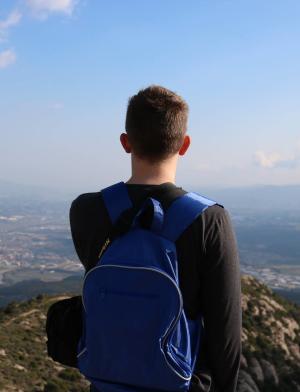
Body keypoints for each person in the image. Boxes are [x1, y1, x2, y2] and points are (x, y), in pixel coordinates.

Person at [69, 85, 242, 391]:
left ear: (126, 142)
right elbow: (225, 338)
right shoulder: (209, 220)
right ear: (185, 144)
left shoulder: (86, 210)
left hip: (107, 382)